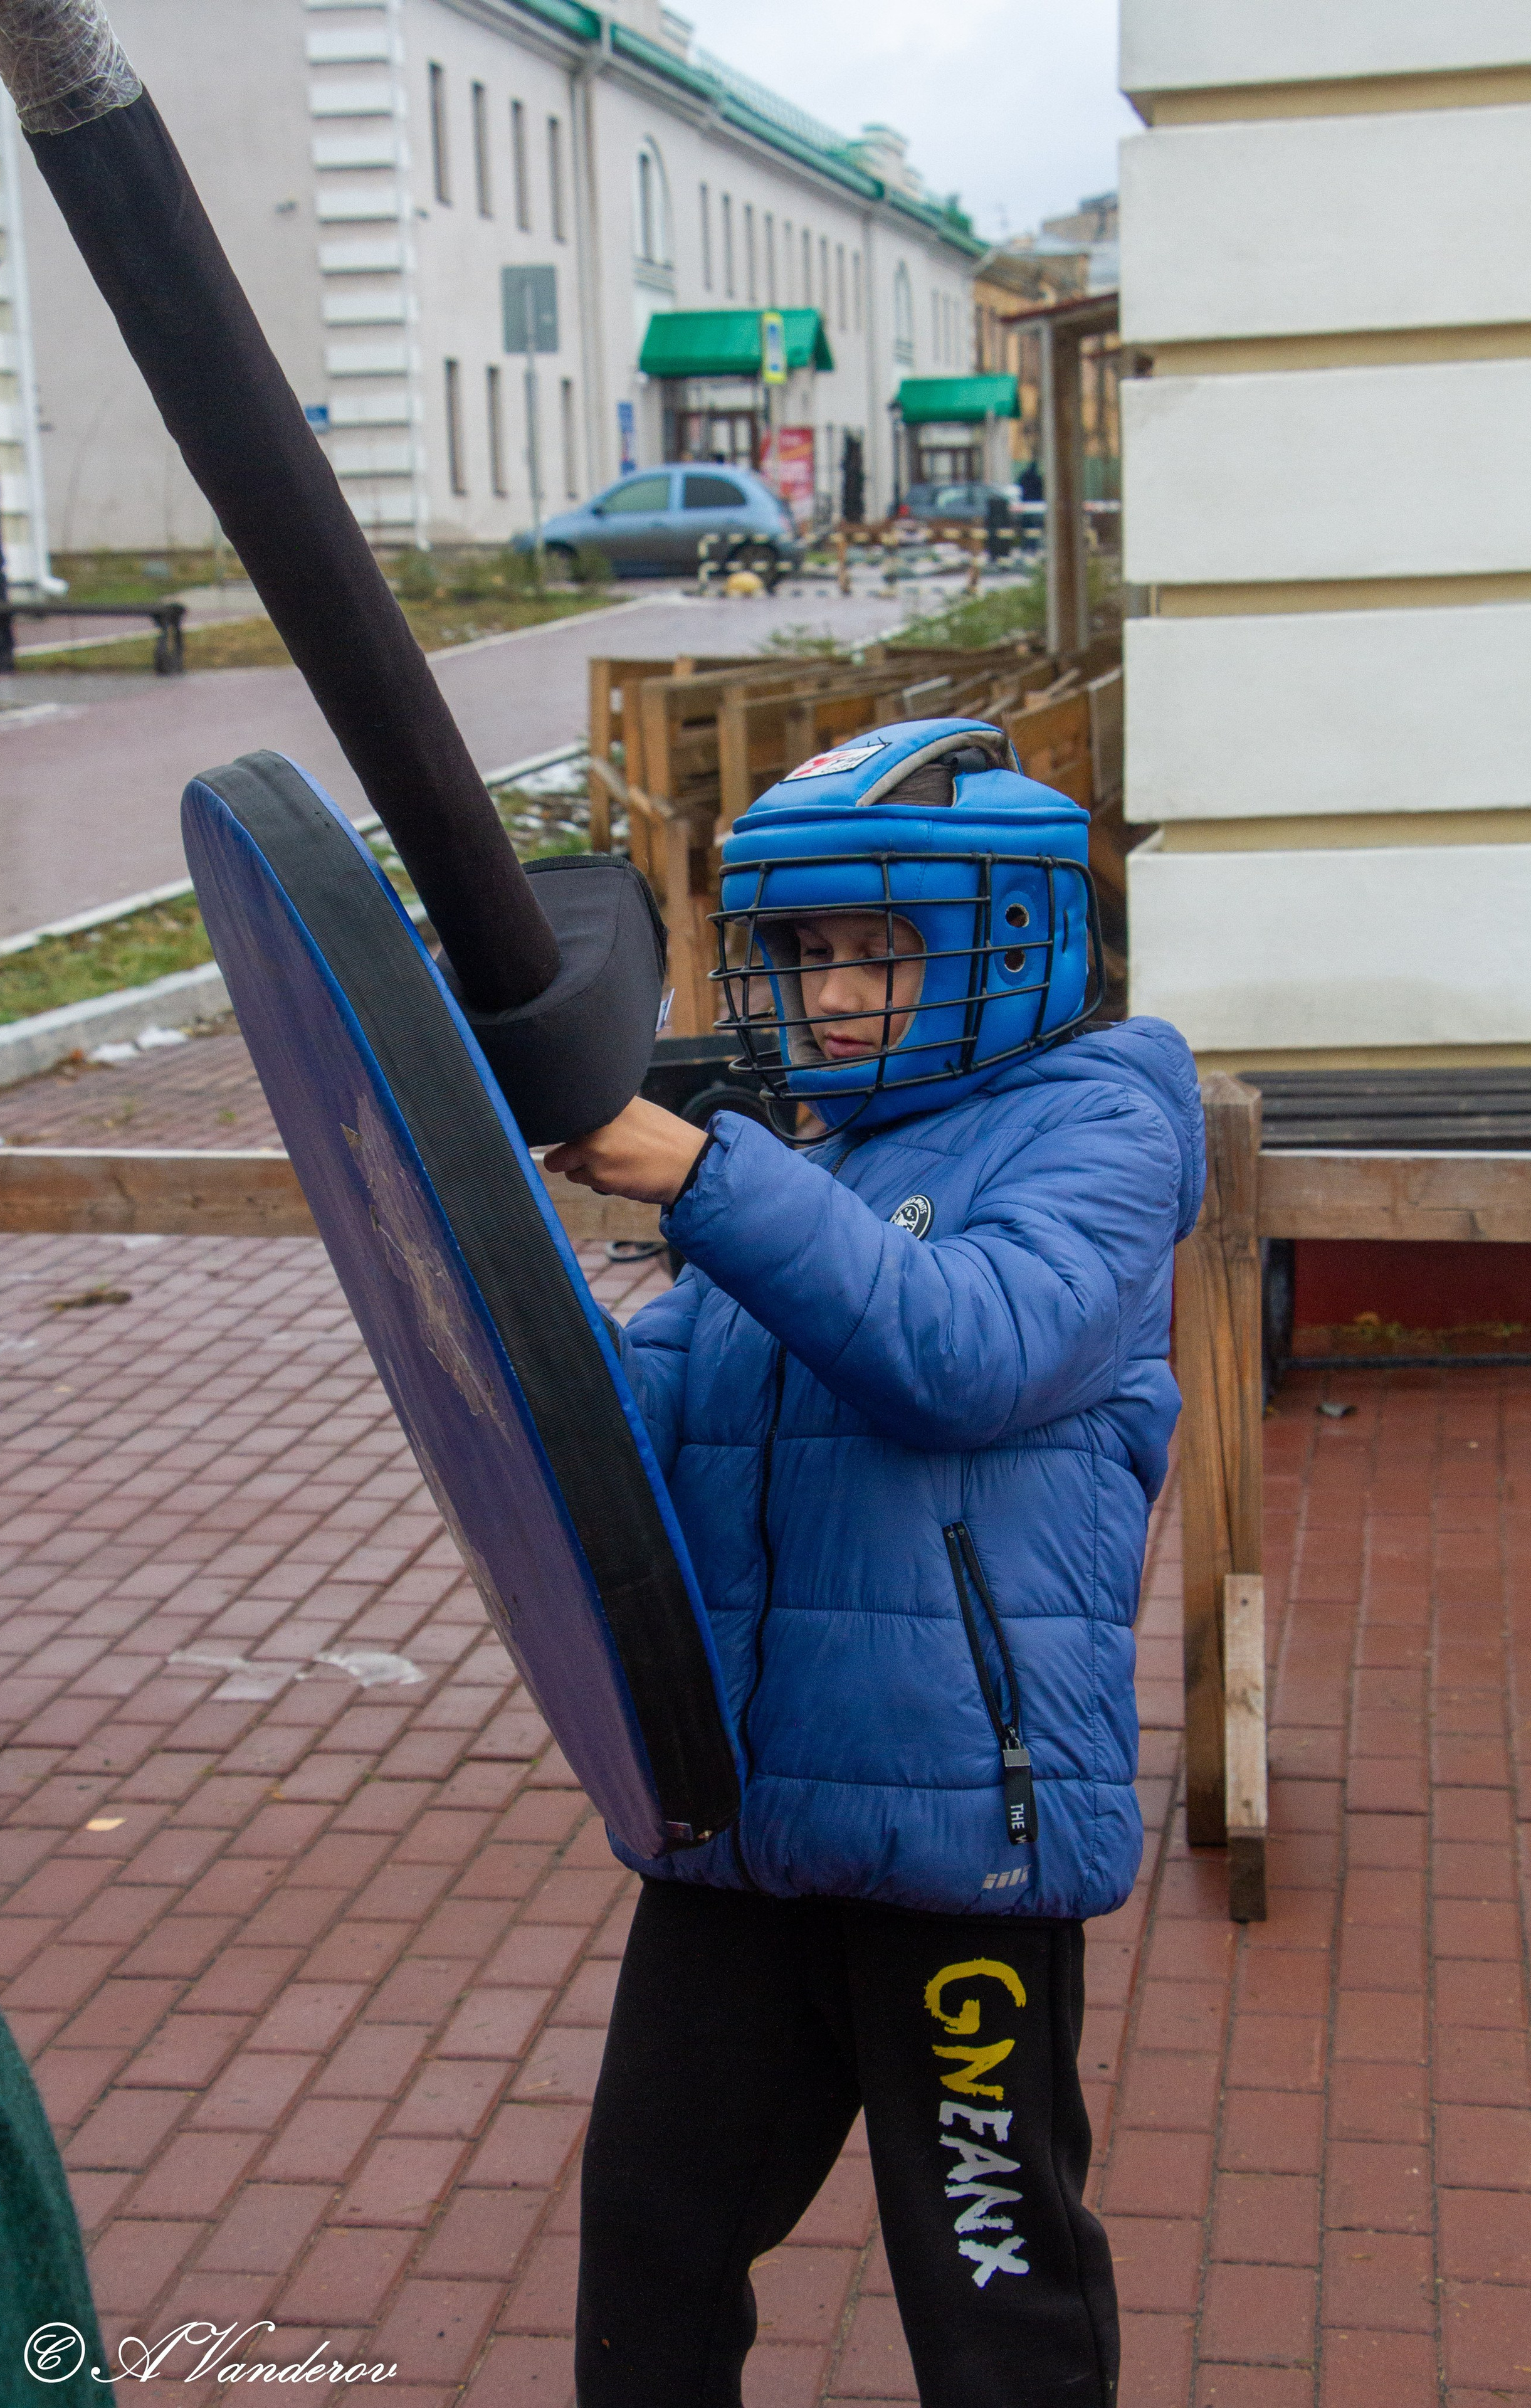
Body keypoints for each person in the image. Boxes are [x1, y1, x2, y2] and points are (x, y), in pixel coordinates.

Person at [545, 720, 1204, 2408]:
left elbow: (965, 1353)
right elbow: (659, 1426)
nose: (830, 993)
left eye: (876, 951)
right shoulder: (812, 1162)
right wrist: (498, 1301)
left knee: (996, 2298)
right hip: (746, 1829)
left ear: (1013, 936)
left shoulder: (1103, 1136)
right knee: (652, 2238)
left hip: (953, 1838)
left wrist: (699, 1173)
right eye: (805, 952)